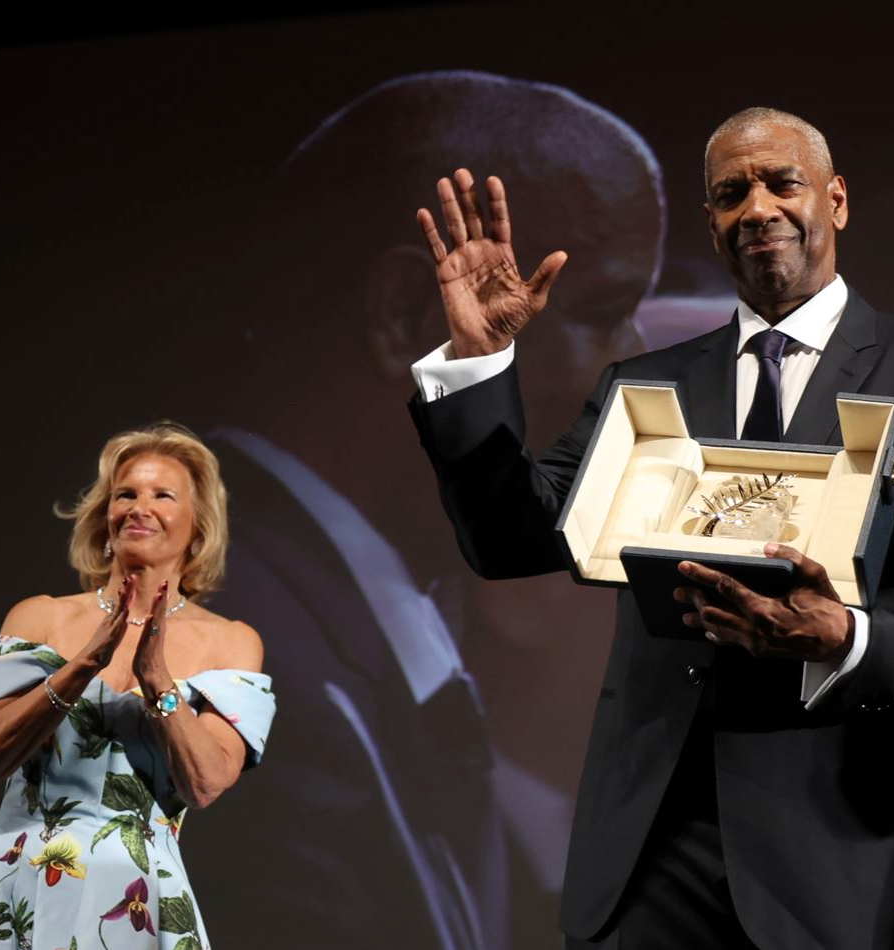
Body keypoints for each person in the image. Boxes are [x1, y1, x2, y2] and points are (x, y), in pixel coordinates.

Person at [408, 107, 894, 949]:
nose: (758, 208)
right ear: (711, 224)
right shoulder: (645, 385)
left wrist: (850, 636)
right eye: (733, 193)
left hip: (852, 857)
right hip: (653, 854)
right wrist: (480, 362)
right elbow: (509, 538)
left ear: (836, 200)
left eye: (783, 183)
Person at [185, 71, 671, 950]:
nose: (635, 373)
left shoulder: (336, 631)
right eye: (605, 314)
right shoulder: (238, 672)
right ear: (412, 315)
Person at [0, 423, 272, 950]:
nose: (139, 508)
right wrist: (82, 666)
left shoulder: (231, 642)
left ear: (198, 526)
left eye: (162, 495)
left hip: (138, 898)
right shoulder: (40, 617)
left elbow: (206, 783)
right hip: (19, 879)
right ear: (105, 518)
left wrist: (157, 681)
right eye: (125, 494)